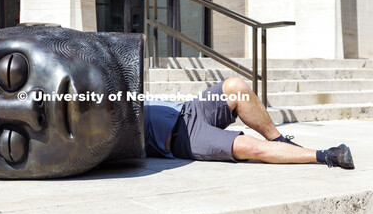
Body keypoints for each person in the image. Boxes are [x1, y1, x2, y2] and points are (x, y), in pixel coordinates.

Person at [144, 77, 355, 169]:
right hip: (184, 139)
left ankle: (280, 140)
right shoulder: (112, 117)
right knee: (249, 146)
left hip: (188, 109)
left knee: (237, 87)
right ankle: (327, 155)